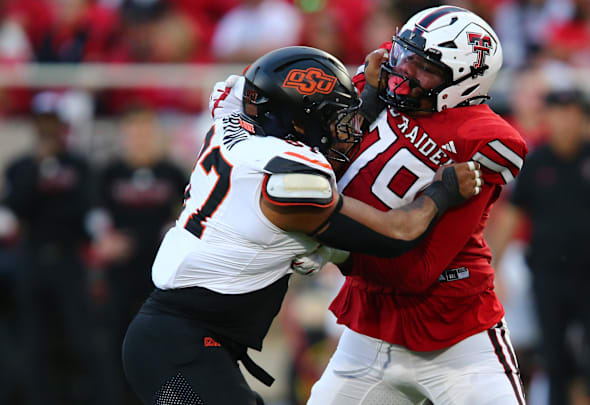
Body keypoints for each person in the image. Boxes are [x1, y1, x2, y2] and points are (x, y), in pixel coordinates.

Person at [122, 46, 482, 405]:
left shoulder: (231, 120)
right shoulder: (286, 179)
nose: (344, 129)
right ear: (296, 122)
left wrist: (367, 91)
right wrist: (442, 191)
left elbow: (259, 82)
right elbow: (398, 232)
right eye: (332, 118)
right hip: (178, 347)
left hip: (179, 340)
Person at [305, 6, 529, 404]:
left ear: (464, 82)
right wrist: (366, 100)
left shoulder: (484, 137)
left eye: (424, 67)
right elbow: (319, 159)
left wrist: (325, 242)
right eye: (404, 54)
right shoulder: (375, 84)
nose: (404, 71)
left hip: (456, 332)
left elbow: (417, 271)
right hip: (371, 325)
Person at [492, 89, 590, 405]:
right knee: (553, 356)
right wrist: (494, 266)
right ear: (548, 118)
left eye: (573, 113)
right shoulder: (537, 160)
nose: (567, 121)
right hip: (548, 274)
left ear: (583, 118)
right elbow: (512, 214)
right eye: (560, 113)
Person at [2, 92, 100, 404]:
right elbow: (14, 210)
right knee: (33, 339)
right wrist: (39, 171)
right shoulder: (20, 167)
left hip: (69, 258)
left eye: (53, 124)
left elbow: (84, 210)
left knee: (79, 337)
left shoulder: (80, 166)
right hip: (31, 258)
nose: (48, 131)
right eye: (42, 123)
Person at [92, 106, 188, 405]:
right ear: (124, 135)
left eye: (146, 131)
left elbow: (188, 216)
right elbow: (95, 216)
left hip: (162, 275)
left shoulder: (173, 174)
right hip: (121, 273)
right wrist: (104, 239)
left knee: (162, 343)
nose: (140, 138)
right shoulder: (109, 173)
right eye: (134, 131)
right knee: (117, 342)